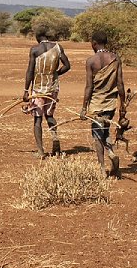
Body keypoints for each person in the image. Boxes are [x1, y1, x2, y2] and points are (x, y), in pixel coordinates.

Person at [80, 31, 127, 178]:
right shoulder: (115, 59)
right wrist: (123, 104)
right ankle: (111, 153)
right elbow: (120, 84)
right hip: (110, 103)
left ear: (94, 43)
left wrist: (83, 108)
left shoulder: (91, 61)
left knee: (97, 136)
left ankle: (101, 168)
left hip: (96, 104)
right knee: (105, 131)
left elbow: (89, 87)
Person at [22, 27, 71, 158]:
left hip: (38, 89)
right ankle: (54, 137)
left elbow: (30, 72)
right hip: (53, 87)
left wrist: (26, 91)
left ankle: (40, 151)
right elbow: (67, 66)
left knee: (37, 119)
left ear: (38, 38)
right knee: (49, 115)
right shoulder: (58, 47)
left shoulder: (35, 49)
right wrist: (56, 74)